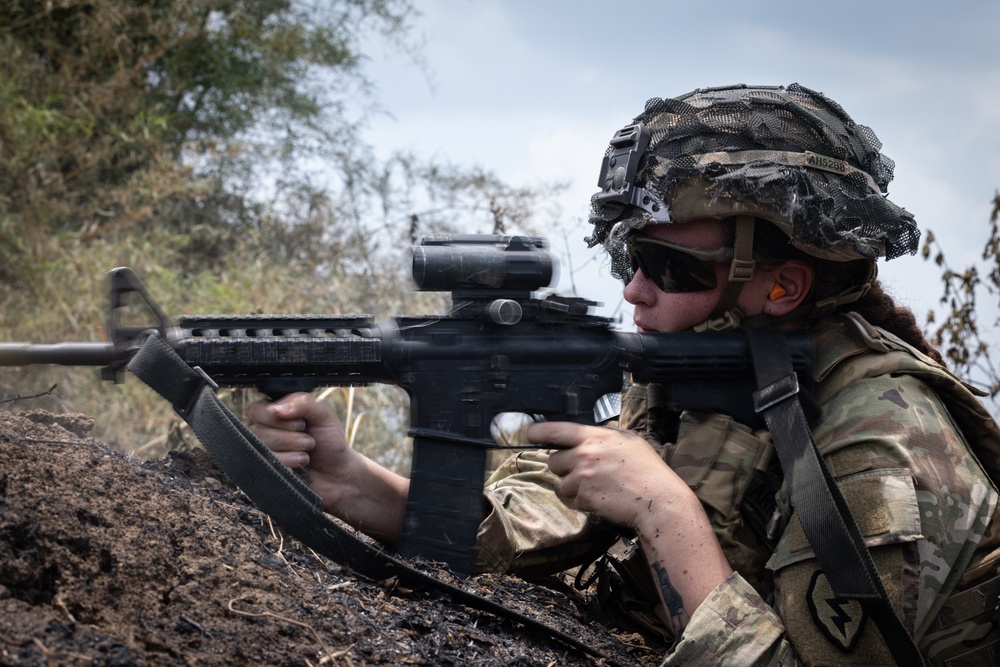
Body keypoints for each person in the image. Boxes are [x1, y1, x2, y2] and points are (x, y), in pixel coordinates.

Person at [249, 83, 1000, 665]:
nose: (635, 289)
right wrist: (351, 483)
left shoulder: (884, 442)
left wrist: (664, 514)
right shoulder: (699, 375)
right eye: (629, 256)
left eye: (670, 266)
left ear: (781, 287)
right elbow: (548, 514)